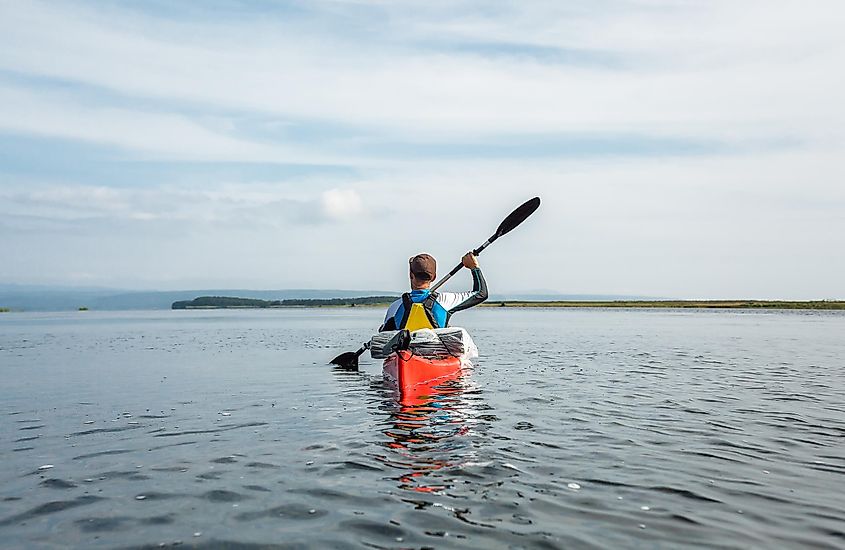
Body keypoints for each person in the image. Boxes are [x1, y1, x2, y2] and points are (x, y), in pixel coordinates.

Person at [380, 252, 488, 332]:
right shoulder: (445, 300)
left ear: (410, 275)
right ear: (434, 277)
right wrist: (474, 268)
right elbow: (481, 293)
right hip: (435, 354)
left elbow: (384, 335)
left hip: (404, 357)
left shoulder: (395, 307)